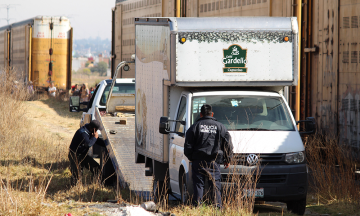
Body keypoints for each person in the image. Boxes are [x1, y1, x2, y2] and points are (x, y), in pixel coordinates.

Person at [184, 104, 233, 209]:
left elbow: (188, 145)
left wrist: (191, 157)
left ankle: (197, 206)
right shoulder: (221, 127)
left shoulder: (194, 127)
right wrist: (227, 158)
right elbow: (227, 143)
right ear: (212, 114)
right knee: (215, 185)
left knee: (198, 184)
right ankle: (217, 207)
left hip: (198, 161)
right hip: (214, 161)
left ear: (201, 114)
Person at [68, 120, 107, 186]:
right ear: (94, 129)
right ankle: (73, 188)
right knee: (77, 173)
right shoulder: (83, 133)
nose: (97, 131)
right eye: (97, 129)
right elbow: (88, 144)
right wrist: (94, 137)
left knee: (96, 168)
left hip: (83, 155)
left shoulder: (89, 131)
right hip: (75, 155)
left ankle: (100, 184)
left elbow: (96, 141)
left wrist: (107, 145)